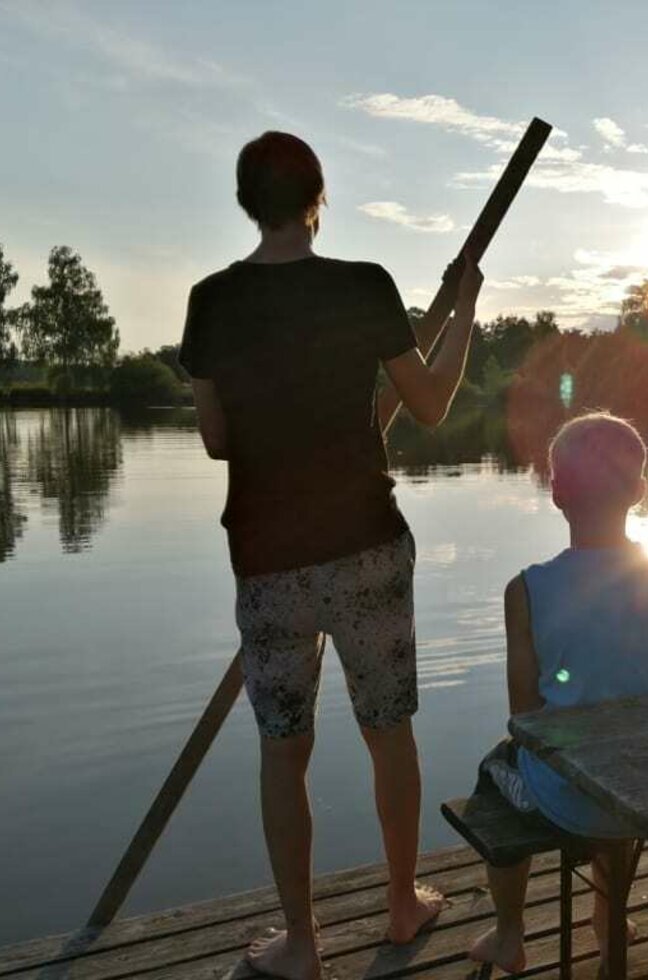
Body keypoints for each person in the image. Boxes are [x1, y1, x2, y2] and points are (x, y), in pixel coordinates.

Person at [180, 131, 483, 980]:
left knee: (285, 749)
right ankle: (399, 907)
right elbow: (427, 407)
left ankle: (303, 946)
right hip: (366, 549)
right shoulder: (365, 286)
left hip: (268, 558)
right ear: (319, 200)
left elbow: (213, 440)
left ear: (248, 203)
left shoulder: (210, 303)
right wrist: (462, 314)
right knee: (390, 735)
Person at [468, 413, 648, 975]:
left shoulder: (527, 589)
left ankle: (510, 934)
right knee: (622, 749)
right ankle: (609, 921)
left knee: (497, 769)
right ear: (640, 492)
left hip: (579, 802)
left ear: (556, 493)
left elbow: (524, 717)